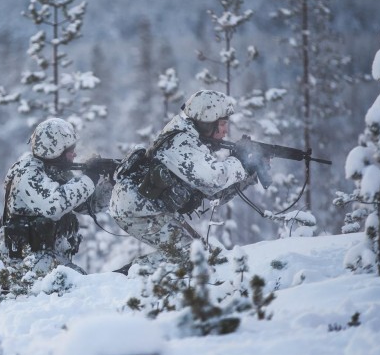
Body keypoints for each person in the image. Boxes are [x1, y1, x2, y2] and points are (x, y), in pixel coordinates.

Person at [109, 89, 267, 265]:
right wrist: (240, 161)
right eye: (222, 124)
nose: (225, 131)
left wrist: (248, 174)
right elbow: (215, 180)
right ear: (208, 122)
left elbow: (213, 194)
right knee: (189, 258)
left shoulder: (191, 137)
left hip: (149, 207)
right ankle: (131, 277)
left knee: (200, 253)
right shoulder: (182, 141)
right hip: (136, 209)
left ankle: (137, 278)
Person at [1, 117, 107, 273]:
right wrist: (89, 179)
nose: (74, 154)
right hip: (23, 266)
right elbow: (53, 206)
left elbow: (89, 205)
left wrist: (110, 182)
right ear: (55, 149)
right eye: (70, 150)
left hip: (49, 261)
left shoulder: (56, 171)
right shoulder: (26, 171)